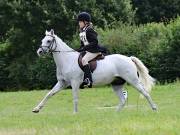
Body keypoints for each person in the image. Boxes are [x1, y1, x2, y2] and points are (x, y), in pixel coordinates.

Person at [76, 12, 107, 88]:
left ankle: (88, 80)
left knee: (84, 60)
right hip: (89, 50)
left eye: (80, 22)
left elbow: (95, 42)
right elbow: (83, 44)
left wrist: (84, 48)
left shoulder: (89, 30)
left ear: (85, 22)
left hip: (94, 50)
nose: (79, 23)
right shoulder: (82, 32)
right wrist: (78, 50)